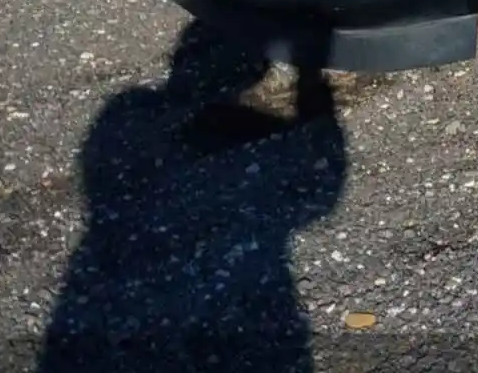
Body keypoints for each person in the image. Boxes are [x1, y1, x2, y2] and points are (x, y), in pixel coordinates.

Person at [41, 22, 347, 372]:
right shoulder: (127, 117)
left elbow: (321, 189)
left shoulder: (127, 118)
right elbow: (322, 187)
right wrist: (312, 85)